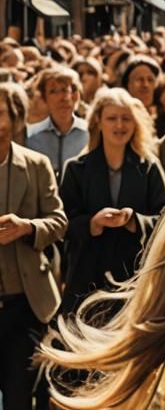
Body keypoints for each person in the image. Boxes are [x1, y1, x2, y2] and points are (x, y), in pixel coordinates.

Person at [58, 88, 165, 318]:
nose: (120, 125)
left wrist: (135, 221)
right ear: (98, 122)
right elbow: (61, 224)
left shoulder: (148, 167)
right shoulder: (76, 168)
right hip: (87, 279)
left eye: (126, 118)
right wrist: (92, 223)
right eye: (112, 118)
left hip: (135, 278)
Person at [0, 79, 66, 410]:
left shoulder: (36, 165)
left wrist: (27, 227)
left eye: (1, 114)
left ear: (15, 120)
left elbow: (59, 221)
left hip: (25, 304)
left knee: (19, 397)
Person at [26, 67, 89, 181]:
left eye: (67, 90)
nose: (63, 98)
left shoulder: (90, 134)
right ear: (44, 98)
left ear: (76, 95)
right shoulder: (30, 137)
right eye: (54, 91)